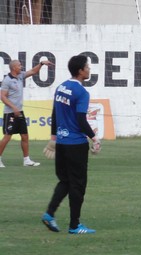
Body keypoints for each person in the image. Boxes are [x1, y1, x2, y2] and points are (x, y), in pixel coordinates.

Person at [41, 55, 101, 234]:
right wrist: (94, 138)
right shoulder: (82, 92)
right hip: (76, 144)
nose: (89, 69)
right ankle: (74, 225)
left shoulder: (61, 87)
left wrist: (53, 139)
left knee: (65, 181)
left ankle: (49, 214)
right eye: (87, 67)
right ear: (80, 71)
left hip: (61, 143)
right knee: (78, 185)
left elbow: (54, 113)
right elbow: (81, 120)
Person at [0, 58, 54, 168]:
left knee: (24, 135)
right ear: (14, 68)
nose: (21, 67)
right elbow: (2, 97)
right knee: (7, 136)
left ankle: (26, 160)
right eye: (19, 65)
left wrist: (41, 64)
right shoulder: (7, 80)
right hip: (10, 113)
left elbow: (33, 71)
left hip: (19, 112)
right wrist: (14, 108)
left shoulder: (20, 76)